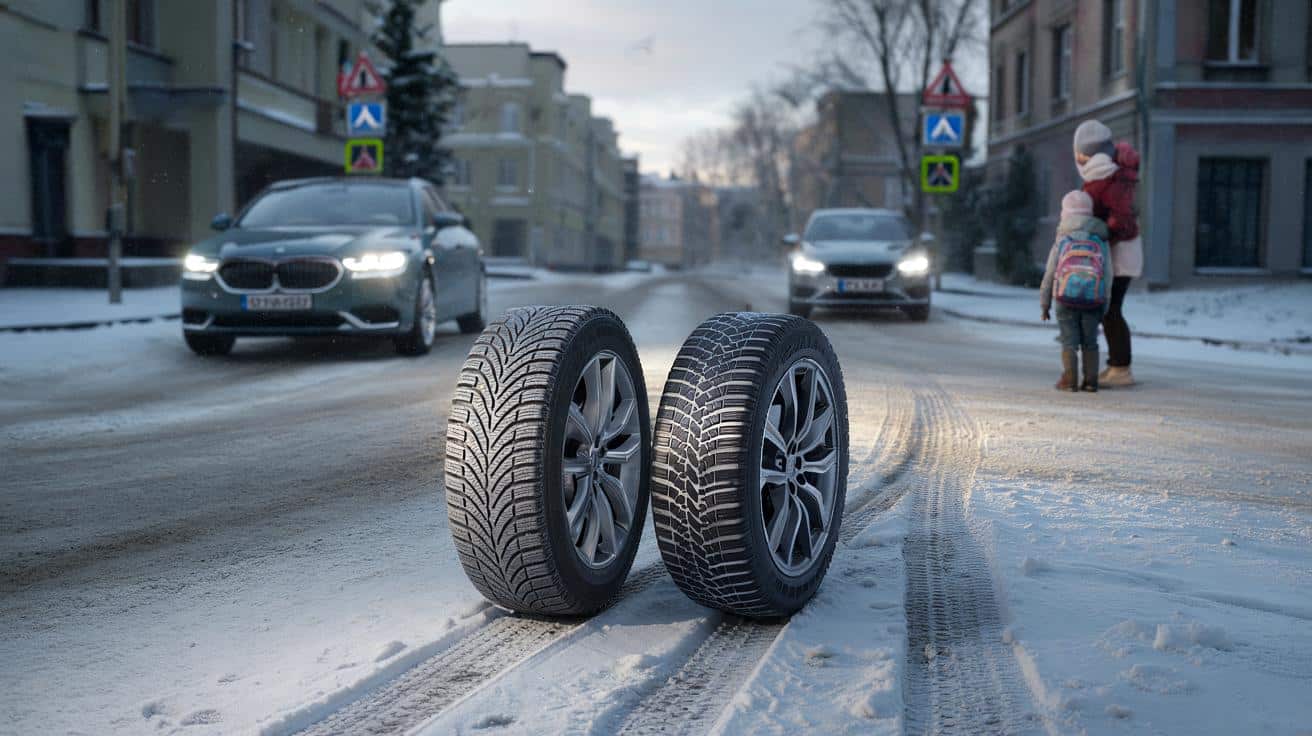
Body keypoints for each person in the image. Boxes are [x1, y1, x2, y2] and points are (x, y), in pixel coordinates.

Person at [1073, 119, 1141, 388]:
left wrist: (1100, 235)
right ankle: (1117, 365)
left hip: (1119, 254)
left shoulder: (1106, 178)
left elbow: (1121, 219)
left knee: (1111, 310)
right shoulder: (1109, 176)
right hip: (1119, 252)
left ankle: (1121, 368)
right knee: (1109, 309)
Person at [1041, 191, 1114, 392]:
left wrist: (1045, 303)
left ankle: (1070, 380)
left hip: (1064, 298)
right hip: (1093, 299)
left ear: (1065, 214)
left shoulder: (1062, 239)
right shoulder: (1100, 239)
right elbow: (1108, 273)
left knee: (1069, 341)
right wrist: (1105, 301)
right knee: (1090, 341)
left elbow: (1050, 272)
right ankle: (1091, 382)